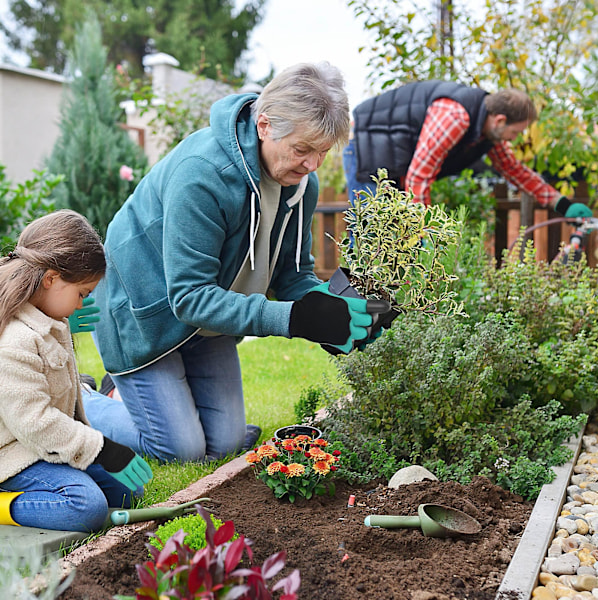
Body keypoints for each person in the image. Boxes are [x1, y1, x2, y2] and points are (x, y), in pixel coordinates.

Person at [84, 62, 387, 465]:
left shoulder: (299, 185)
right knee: (181, 450)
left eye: (322, 153)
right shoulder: (204, 175)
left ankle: (143, 398)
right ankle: (87, 402)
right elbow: (189, 297)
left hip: (210, 322)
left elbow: (293, 275)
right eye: (302, 150)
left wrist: (335, 312)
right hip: (145, 318)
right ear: (265, 126)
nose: (312, 165)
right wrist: (294, 320)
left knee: (225, 444)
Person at [0, 210, 152, 532]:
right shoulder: (14, 341)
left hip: (39, 445)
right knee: (86, 506)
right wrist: (101, 448)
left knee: (129, 492)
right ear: (51, 278)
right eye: (81, 293)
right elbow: (36, 424)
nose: (81, 304)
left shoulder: (49, 322)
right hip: (11, 456)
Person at [344, 80, 592, 218]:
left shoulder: (487, 131)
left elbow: (514, 170)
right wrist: (425, 230)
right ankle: (351, 307)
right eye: (515, 133)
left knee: (395, 243)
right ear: (500, 120)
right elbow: (420, 176)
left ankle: (391, 309)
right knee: (370, 233)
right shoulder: (455, 116)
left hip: (396, 163)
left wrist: (562, 204)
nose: (514, 139)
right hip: (367, 148)